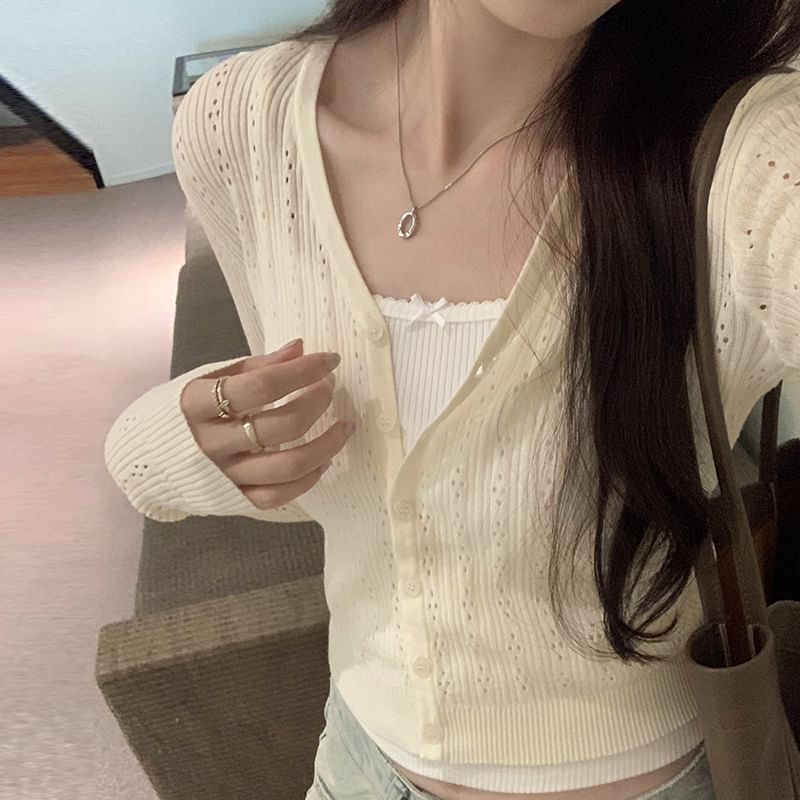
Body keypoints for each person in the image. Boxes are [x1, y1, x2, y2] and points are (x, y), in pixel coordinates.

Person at [104, 0, 800, 797]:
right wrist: (168, 443)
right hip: (358, 766)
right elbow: (327, 471)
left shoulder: (747, 156)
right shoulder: (241, 123)